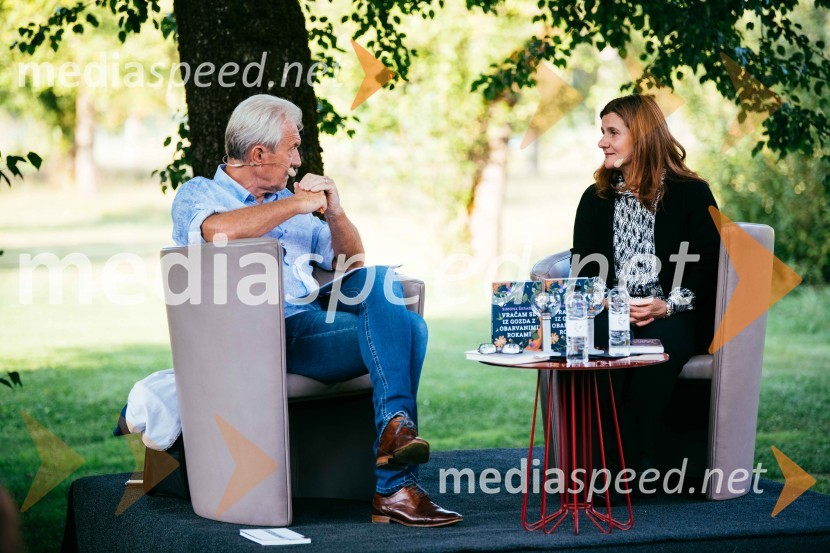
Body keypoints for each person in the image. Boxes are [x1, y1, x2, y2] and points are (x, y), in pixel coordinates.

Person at [171, 94, 462, 527]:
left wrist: (336, 212)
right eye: (292, 148)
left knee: (381, 280)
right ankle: (395, 488)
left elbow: (349, 263)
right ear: (258, 154)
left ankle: (396, 430)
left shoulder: (293, 204)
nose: (297, 159)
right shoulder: (200, 193)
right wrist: (295, 204)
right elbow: (217, 234)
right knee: (412, 331)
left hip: (316, 317)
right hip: (267, 334)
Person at [570, 94, 721, 474]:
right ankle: (606, 464)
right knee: (598, 341)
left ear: (641, 136)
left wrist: (666, 305)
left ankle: (629, 464)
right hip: (611, 309)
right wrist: (609, 303)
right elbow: (583, 267)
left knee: (658, 346)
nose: (602, 142)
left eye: (613, 133)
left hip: (676, 312)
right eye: (602, 132)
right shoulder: (596, 199)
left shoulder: (691, 194)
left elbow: (709, 265)